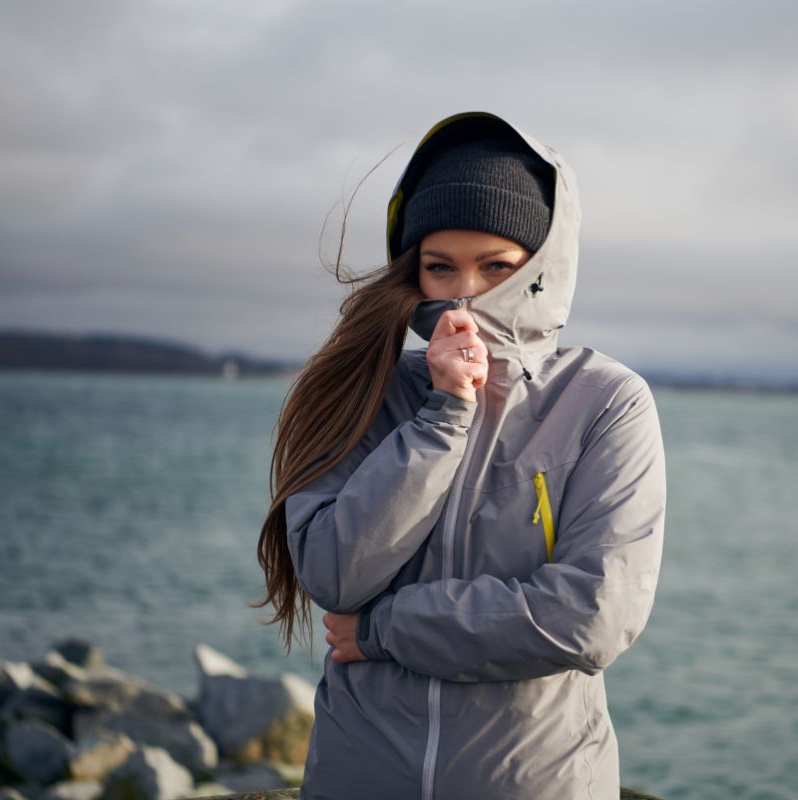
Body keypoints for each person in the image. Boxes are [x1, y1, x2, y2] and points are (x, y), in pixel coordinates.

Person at [253, 111, 667, 800]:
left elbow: (592, 616)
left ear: (544, 267)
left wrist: (383, 628)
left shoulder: (604, 401)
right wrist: (443, 416)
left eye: (497, 266)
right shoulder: (365, 391)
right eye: (440, 267)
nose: (466, 293)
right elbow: (332, 574)